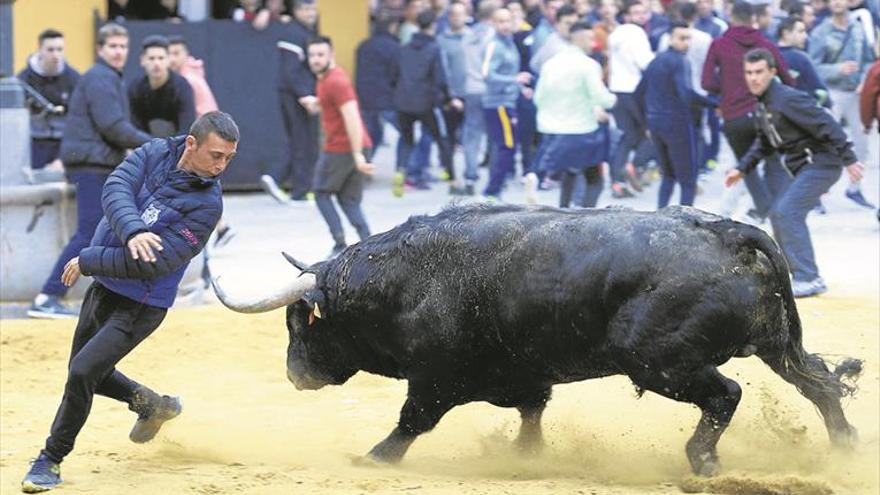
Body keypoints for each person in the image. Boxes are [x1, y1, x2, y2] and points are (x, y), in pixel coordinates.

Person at [20, 111, 240, 493]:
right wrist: (134, 229)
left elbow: (155, 263)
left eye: (228, 159)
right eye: (216, 155)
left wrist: (88, 259)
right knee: (88, 371)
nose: (221, 166)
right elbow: (116, 188)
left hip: (141, 303)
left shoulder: (208, 205)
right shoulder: (156, 152)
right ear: (191, 144)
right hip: (105, 287)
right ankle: (153, 405)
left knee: (82, 372)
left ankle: (50, 459)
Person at [28, 23, 152, 320]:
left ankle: (112, 299)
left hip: (96, 163)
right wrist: (153, 145)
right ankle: (48, 296)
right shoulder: (100, 78)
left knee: (108, 231)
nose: (119, 52)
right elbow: (112, 126)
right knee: (90, 232)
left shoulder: (107, 77)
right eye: (113, 46)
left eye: (123, 46)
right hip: (92, 166)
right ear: (100, 50)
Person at [724, 49, 864, 297]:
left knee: (787, 212)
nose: (753, 78)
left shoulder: (786, 99)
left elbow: (827, 123)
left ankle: (809, 277)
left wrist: (850, 159)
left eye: (759, 72)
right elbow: (764, 143)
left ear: (772, 73)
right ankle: (793, 272)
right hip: (803, 167)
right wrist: (741, 169)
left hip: (821, 163)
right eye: (749, 73)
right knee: (778, 214)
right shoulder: (764, 104)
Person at [702, 0, 794, 222]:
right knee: (773, 162)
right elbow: (787, 77)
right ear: (753, 18)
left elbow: (706, 82)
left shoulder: (719, 44)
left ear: (731, 17)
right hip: (764, 111)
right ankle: (778, 208)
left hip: (734, 115)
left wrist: (726, 88)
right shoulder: (764, 43)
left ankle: (765, 209)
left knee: (747, 167)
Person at [533, 21, 616, 208]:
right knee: (595, 180)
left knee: (570, 174)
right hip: (582, 131)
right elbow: (601, 98)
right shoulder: (588, 65)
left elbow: (539, 97)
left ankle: (563, 213)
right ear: (582, 39)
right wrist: (614, 101)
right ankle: (587, 219)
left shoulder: (550, 64)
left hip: (553, 130)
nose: (594, 43)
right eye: (592, 39)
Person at [307, 36, 376, 259]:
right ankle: (370, 246)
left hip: (343, 148)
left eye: (320, 55)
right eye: (312, 55)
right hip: (354, 146)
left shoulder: (336, 82)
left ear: (331, 56)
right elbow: (333, 105)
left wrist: (357, 155)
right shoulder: (324, 78)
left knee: (321, 193)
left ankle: (339, 244)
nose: (316, 59)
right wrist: (317, 104)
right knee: (349, 199)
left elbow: (353, 117)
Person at [638, 22, 717, 208]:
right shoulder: (680, 61)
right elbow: (687, 94)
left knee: (668, 176)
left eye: (688, 38)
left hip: (655, 122)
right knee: (688, 179)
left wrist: (646, 121)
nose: (686, 43)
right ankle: (685, 222)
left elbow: (638, 92)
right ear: (670, 39)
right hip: (677, 123)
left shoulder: (656, 61)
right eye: (682, 38)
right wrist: (714, 104)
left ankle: (659, 215)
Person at [809, 0, 876, 209]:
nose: (837, 2)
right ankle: (816, 193)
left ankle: (854, 189)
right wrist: (837, 69)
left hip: (856, 93)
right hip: (832, 93)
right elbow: (813, 66)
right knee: (825, 142)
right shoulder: (821, 31)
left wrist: (865, 80)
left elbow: (868, 60)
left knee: (862, 142)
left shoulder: (858, 28)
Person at [394, 10, 460, 190]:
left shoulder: (404, 48)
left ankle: (400, 170)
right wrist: (448, 99)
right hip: (426, 103)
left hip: (403, 101)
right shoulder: (434, 49)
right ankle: (452, 178)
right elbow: (441, 79)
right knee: (441, 138)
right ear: (433, 26)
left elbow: (394, 75)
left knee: (407, 140)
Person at [262, 0, 320, 203]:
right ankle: (290, 186)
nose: (310, 13)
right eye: (305, 9)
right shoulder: (293, 33)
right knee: (302, 141)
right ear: (296, 12)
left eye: (313, 8)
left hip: (299, 94)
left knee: (302, 141)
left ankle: (291, 186)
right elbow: (291, 70)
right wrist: (305, 95)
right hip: (294, 96)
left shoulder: (305, 31)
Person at [481, 7, 531, 201]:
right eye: (500, 21)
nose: (505, 25)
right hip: (497, 102)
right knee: (506, 147)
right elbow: (487, 74)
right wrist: (514, 80)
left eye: (508, 20)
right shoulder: (493, 44)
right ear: (493, 23)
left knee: (506, 147)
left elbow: (511, 73)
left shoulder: (509, 42)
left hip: (507, 100)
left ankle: (494, 189)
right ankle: (492, 191)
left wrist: (520, 88)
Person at [608, 0, 655, 198]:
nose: (641, 16)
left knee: (626, 137)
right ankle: (635, 166)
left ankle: (617, 183)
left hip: (616, 89)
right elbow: (646, 64)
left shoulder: (615, 34)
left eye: (643, 12)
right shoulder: (637, 33)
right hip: (636, 90)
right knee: (653, 133)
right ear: (626, 15)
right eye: (636, 12)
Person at [17, 29, 80, 172]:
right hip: (33, 142)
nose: (56, 55)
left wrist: (63, 156)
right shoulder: (24, 79)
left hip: (64, 142)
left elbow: (78, 120)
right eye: (50, 50)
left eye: (59, 49)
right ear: (40, 50)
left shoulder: (74, 79)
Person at [461, 0, 500, 196]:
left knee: (471, 136)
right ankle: (494, 178)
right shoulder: (494, 37)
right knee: (495, 136)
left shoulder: (468, 35)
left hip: (471, 88)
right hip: (490, 90)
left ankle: (470, 176)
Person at [356, 13, 402, 162]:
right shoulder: (394, 47)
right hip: (386, 98)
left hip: (364, 99)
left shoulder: (363, 46)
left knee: (371, 135)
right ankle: (410, 169)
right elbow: (396, 74)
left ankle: (364, 166)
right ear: (392, 27)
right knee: (406, 133)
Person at [128, 35, 196, 137]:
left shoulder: (182, 87)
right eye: (151, 58)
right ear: (142, 61)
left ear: (168, 60)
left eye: (161, 58)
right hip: (147, 146)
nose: (156, 63)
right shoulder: (136, 88)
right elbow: (135, 126)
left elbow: (186, 128)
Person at [777, 16, 831, 106]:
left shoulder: (768, 55)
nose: (805, 36)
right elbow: (821, 92)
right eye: (800, 31)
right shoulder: (801, 59)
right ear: (786, 33)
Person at [168, 36, 220, 118]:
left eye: (176, 53)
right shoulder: (192, 74)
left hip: (204, 128)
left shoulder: (187, 80)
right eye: (168, 54)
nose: (172, 59)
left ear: (186, 54)